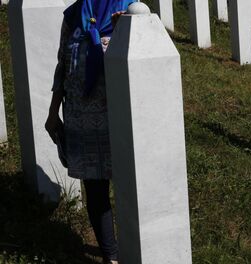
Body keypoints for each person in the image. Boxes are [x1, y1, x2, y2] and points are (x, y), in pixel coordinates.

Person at [45, 0, 133, 263]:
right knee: (95, 189)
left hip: (117, 118)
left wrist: (123, 32)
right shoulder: (74, 15)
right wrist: (53, 112)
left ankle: (136, 244)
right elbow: (62, 63)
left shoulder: (131, 11)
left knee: (129, 185)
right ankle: (111, 254)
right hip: (81, 121)